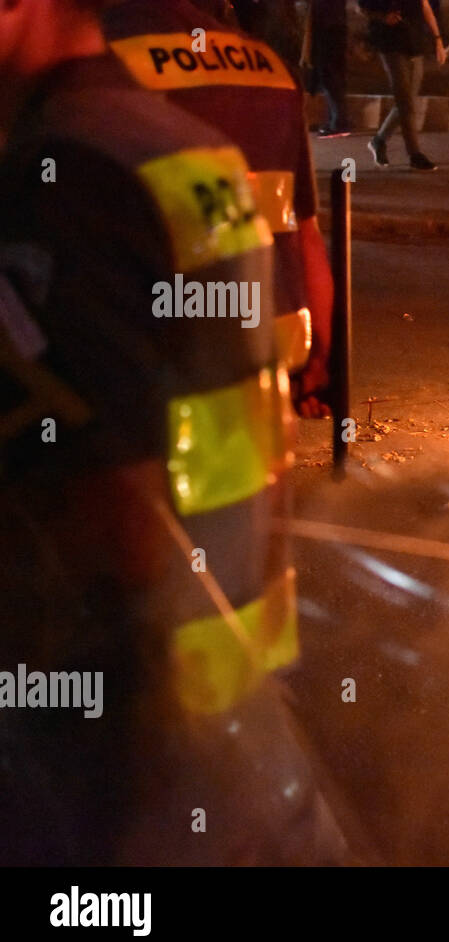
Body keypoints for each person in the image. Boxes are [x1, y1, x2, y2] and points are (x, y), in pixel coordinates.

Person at [0, 0, 346, 863]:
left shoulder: (59, 177)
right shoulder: (181, 139)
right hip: (230, 681)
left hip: (111, 735)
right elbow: (298, 265)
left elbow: (108, 517)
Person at [103, 0, 334, 419]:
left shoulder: (99, 61)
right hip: (269, 354)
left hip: (152, 370)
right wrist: (318, 360)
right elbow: (305, 235)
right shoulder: (270, 70)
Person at [360, 0, 447, 171]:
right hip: (390, 43)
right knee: (405, 102)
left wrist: (438, 39)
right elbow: (362, 7)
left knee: (407, 102)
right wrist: (383, 18)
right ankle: (414, 154)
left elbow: (424, 5)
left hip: (414, 41)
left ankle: (379, 140)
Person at [309, 0, 351, 136]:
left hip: (327, 28)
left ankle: (338, 121)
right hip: (337, 27)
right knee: (335, 75)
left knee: (328, 76)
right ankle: (337, 119)